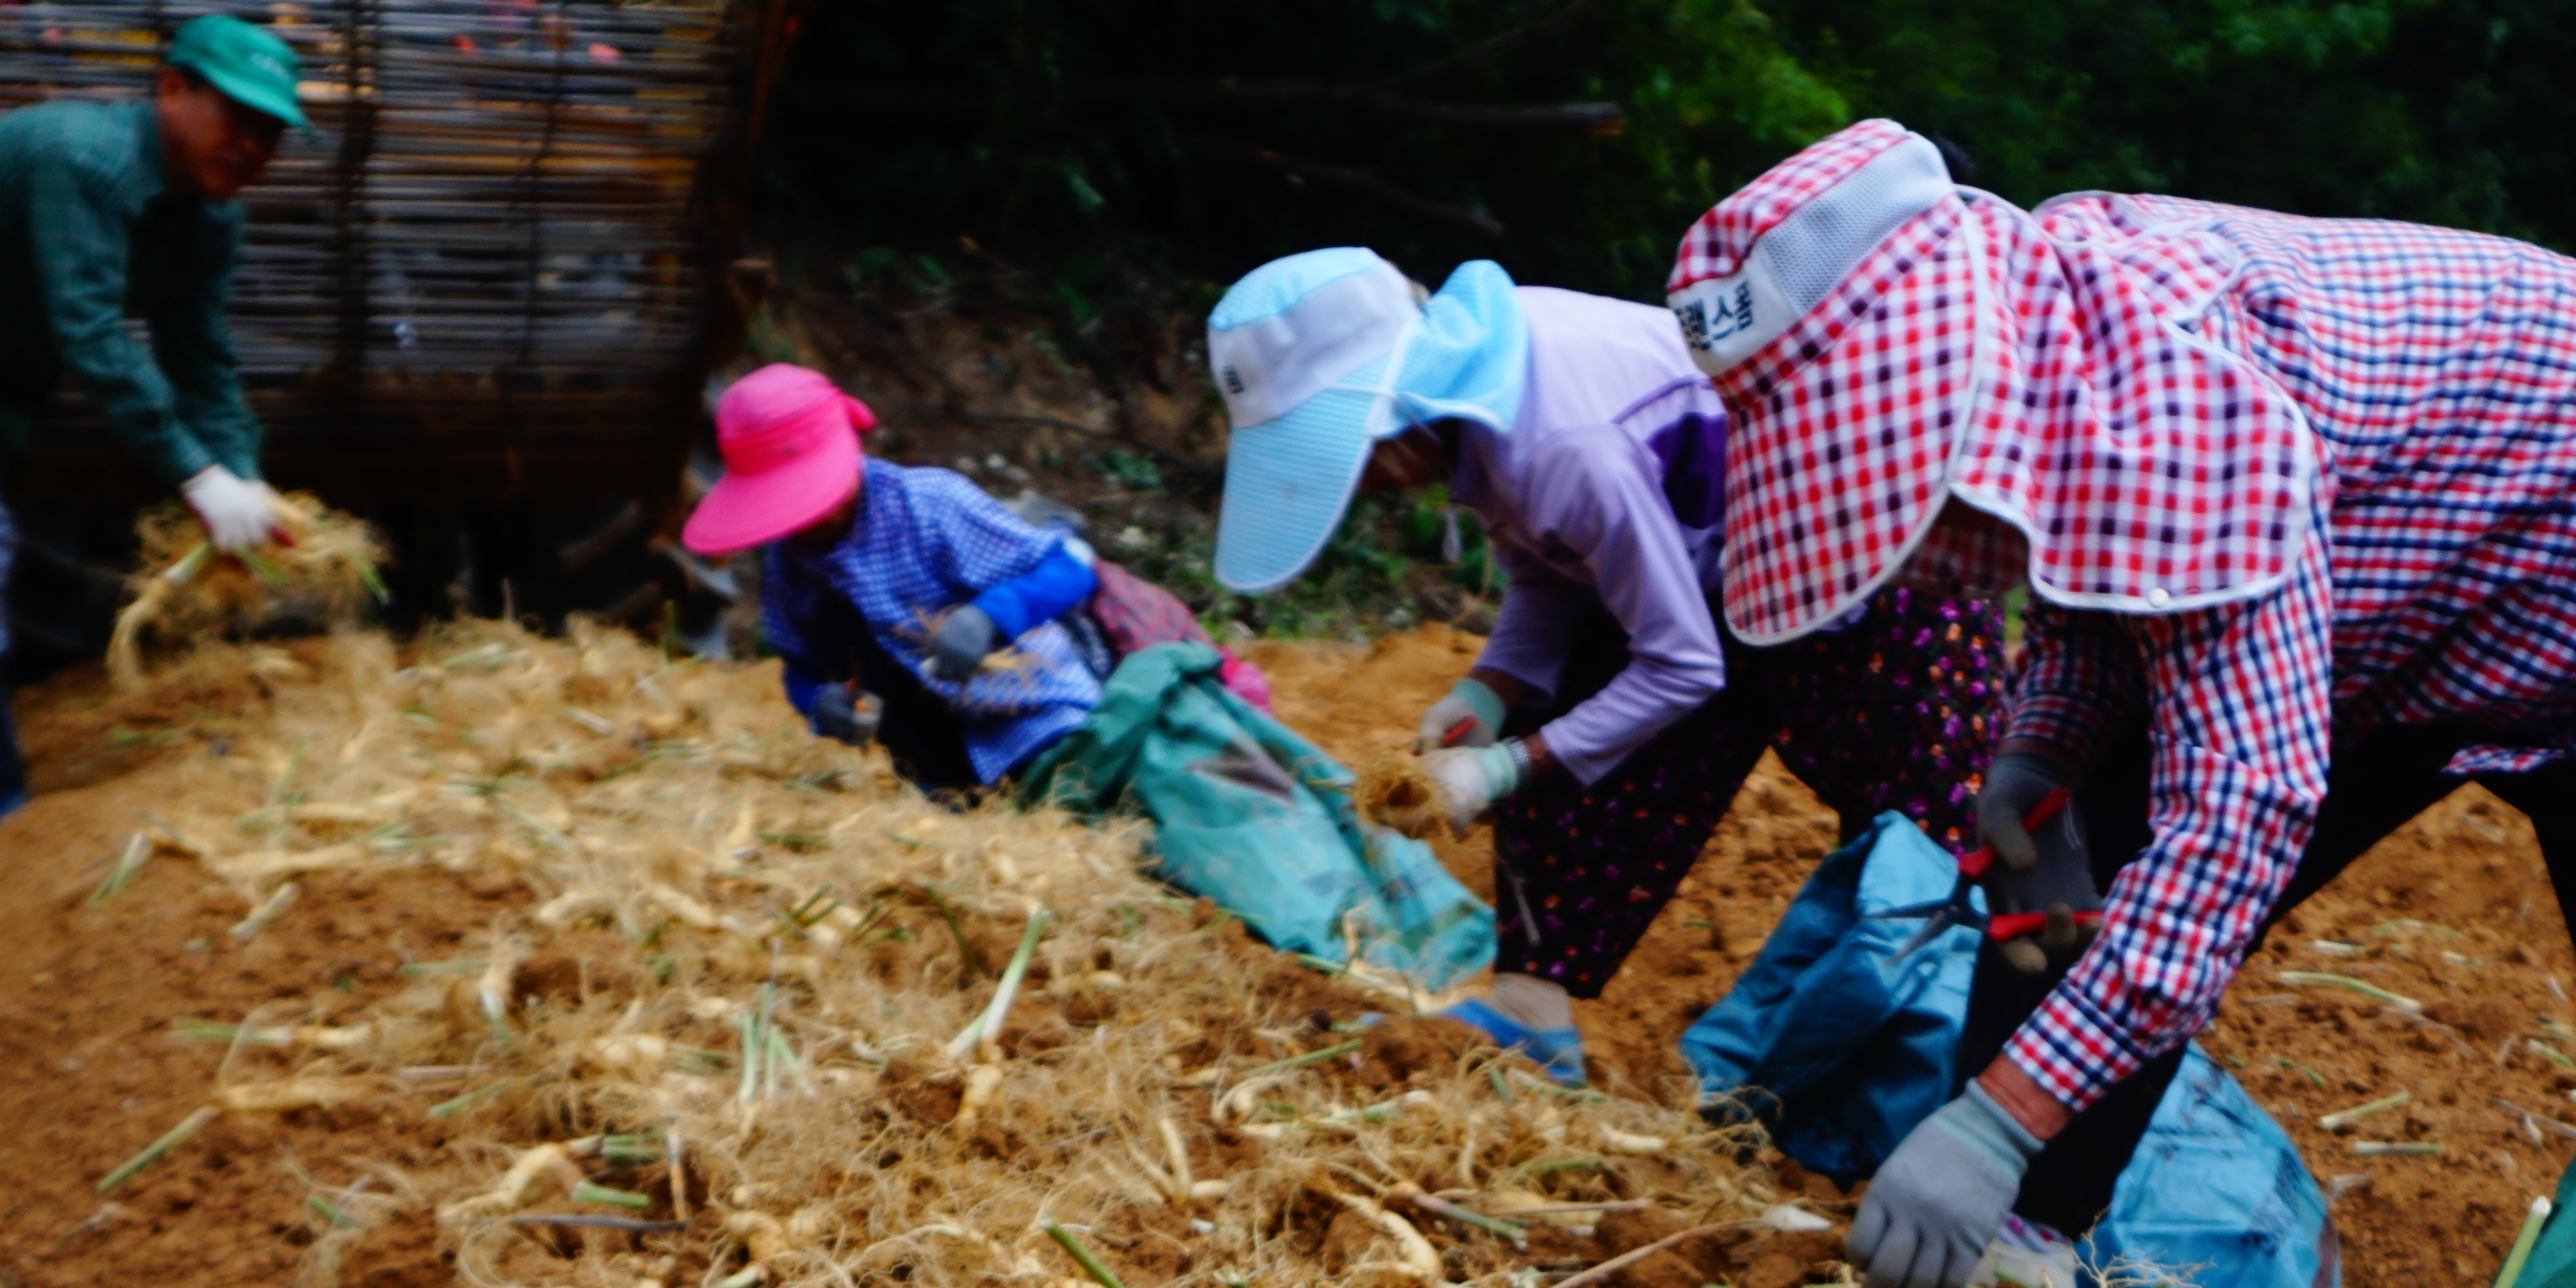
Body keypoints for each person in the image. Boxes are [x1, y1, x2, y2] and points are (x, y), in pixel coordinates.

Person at [1662, 120, 2576, 1288]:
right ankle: (2019, 1256)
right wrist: (2035, 758)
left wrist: (1995, 1119)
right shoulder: (2052, 340)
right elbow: (2097, 597)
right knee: (2065, 837)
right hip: (2390, 603)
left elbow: (2230, 834)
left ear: (1945, 372)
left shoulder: (2180, 398)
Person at [1206, 247, 2001, 1083]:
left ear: (1388, 413)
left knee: (1919, 846)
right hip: (1719, 574)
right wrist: (1488, 692)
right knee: (1559, 706)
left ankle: (1934, 1085)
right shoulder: (1484, 400)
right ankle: (1527, 1014)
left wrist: (1500, 771)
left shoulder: (1561, 445)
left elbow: (1681, 668)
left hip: (1877, 581)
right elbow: (1551, 570)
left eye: (1341, 450)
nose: (1352, 481)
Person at [0, 14, 306, 836]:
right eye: (236, 117)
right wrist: (197, 475)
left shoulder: (210, 218)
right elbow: (92, 336)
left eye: (271, 132)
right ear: (170, 90)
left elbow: (202, 360)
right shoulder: (85, 161)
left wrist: (244, 478)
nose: (252, 146)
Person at [686, 363, 1109, 798]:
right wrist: (817, 701)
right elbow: (799, 666)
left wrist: (988, 617)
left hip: (1042, 724)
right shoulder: (788, 565)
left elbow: (1073, 566)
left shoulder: (928, 505)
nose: (807, 518)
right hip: (937, 769)